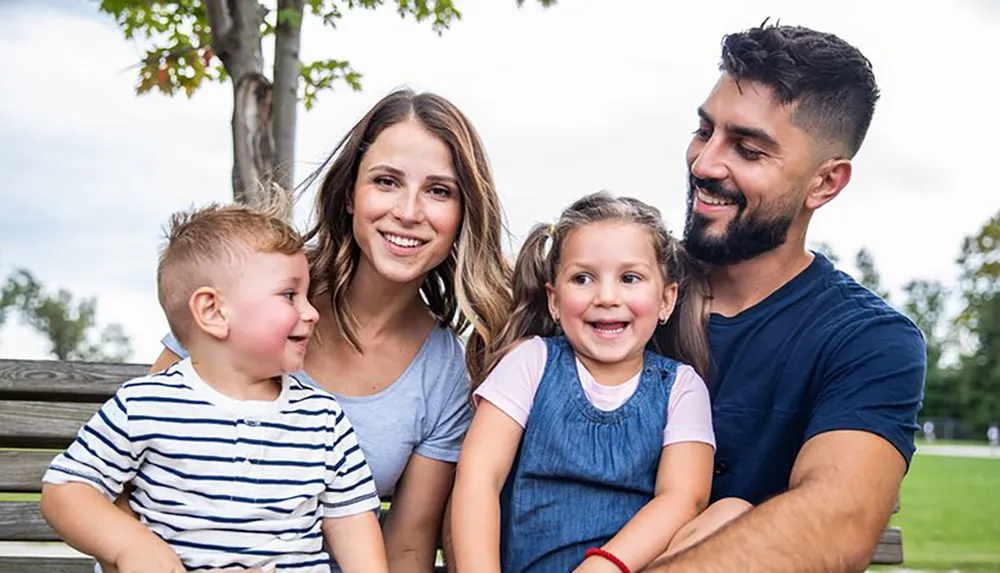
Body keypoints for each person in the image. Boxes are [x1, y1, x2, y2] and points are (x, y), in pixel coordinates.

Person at [128, 89, 512, 572]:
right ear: (350, 193)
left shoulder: (443, 371)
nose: (410, 212)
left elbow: (408, 549)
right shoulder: (254, 291)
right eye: (387, 181)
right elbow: (123, 472)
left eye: (439, 191)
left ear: (463, 214)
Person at [642, 22, 926, 572]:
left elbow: (835, 522)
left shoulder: (867, 341)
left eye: (747, 149)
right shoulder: (612, 295)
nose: (704, 164)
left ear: (825, 183)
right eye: (705, 131)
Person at [41, 203, 389, 573]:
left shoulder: (322, 417)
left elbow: (350, 520)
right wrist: (131, 545)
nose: (312, 312)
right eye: (290, 295)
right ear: (213, 311)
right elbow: (67, 490)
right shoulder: (146, 405)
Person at [452, 191, 723, 572]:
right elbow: (479, 475)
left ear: (666, 300)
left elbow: (683, 498)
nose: (607, 297)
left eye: (630, 278)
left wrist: (605, 566)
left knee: (730, 514)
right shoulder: (531, 362)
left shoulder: (680, 387)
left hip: (625, 568)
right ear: (554, 300)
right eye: (583, 278)